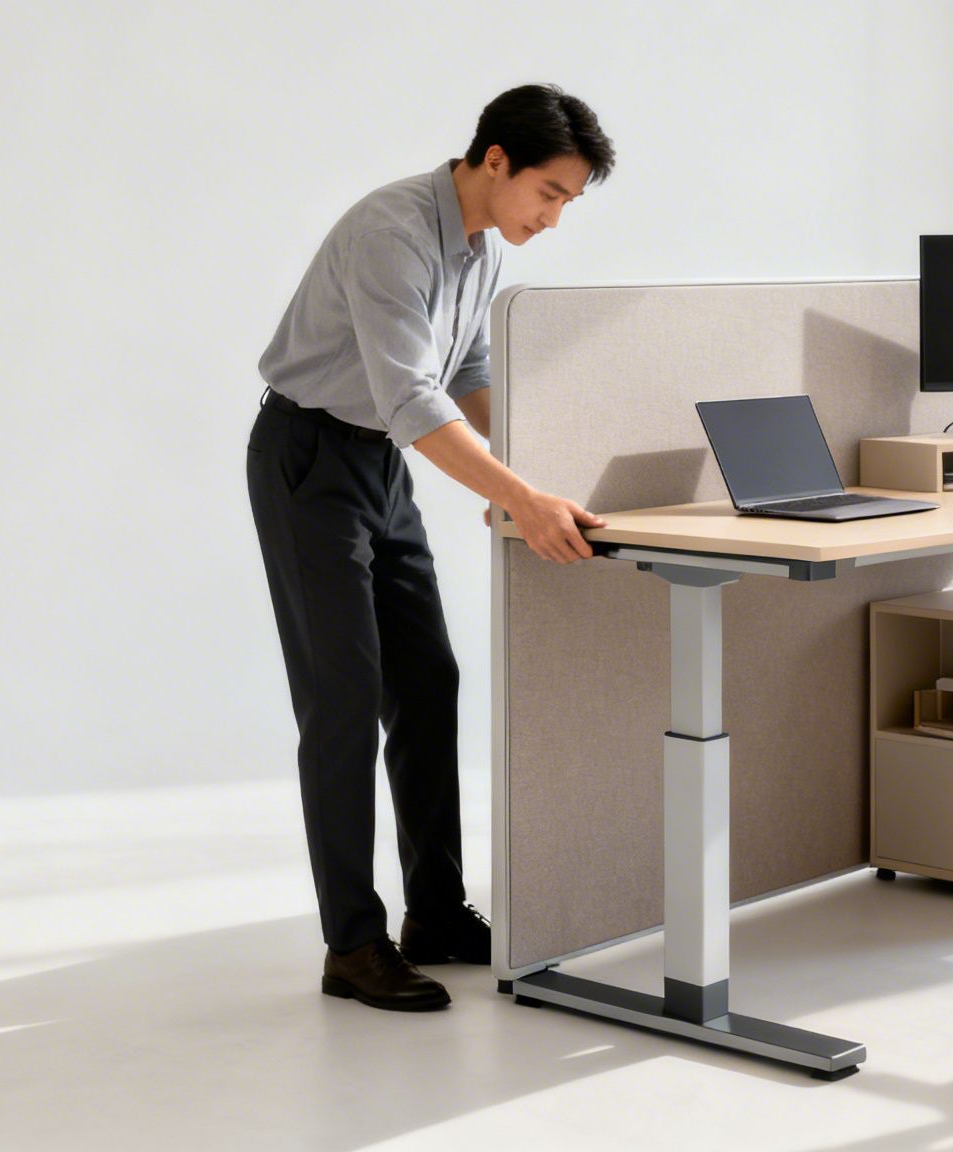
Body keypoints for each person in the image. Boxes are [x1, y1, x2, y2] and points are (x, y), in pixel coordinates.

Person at [248, 85, 615, 1011]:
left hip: (379, 466)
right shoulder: (393, 233)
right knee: (342, 701)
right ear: (495, 160)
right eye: (551, 193)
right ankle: (352, 945)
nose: (554, 216)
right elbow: (416, 402)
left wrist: (543, 474)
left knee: (427, 681)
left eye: (569, 201)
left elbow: (469, 375)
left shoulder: (480, 247)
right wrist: (519, 499)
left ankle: (438, 914)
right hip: (310, 461)